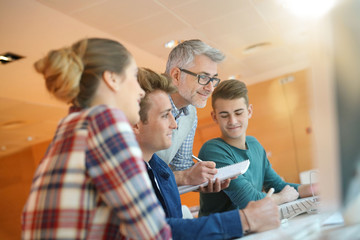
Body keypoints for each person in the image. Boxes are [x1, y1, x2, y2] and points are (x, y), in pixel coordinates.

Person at [21, 38, 171, 239]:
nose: (141, 90)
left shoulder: (70, 127)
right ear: (112, 79)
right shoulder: (105, 121)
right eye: (134, 77)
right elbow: (152, 231)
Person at [133, 68, 280, 239]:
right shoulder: (126, 174)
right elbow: (161, 231)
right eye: (166, 116)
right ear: (136, 124)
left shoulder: (158, 167)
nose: (175, 125)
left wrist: (188, 180)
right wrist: (245, 219)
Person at [198, 79, 319, 216]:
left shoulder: (254, 144)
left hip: (252, 226)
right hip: (223, 233)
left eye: (238, 113)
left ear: (249, 111)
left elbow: (278, 185)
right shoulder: (213, 150)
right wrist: (283, 197)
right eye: (224, 115)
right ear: (214, 117)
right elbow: (250, 201)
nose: (233, 121)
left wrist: (315, 188)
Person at [156, 39, 228, 189]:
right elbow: (134, 173)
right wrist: (186, 176)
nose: (210, 88)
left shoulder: (190, 114)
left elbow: (181, 169)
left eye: (213, 79)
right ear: (176, 76)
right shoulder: (145, 104)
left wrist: (202, 181)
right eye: (203, 77)